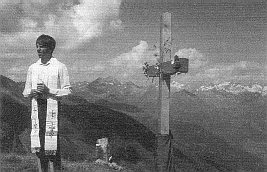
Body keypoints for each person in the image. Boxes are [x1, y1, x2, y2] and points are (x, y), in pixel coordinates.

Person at [23, 34, 72, 171]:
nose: (38, 49)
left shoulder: (60, 67)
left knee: (52, 143)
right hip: (36, 106)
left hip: (52, 107)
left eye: (42, 46)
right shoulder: (32, 67)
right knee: (39, 142)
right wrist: (31, 92)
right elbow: (25, 91)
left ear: (50, 49)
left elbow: (67, 90)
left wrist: (49, 90)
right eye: (37, 46)